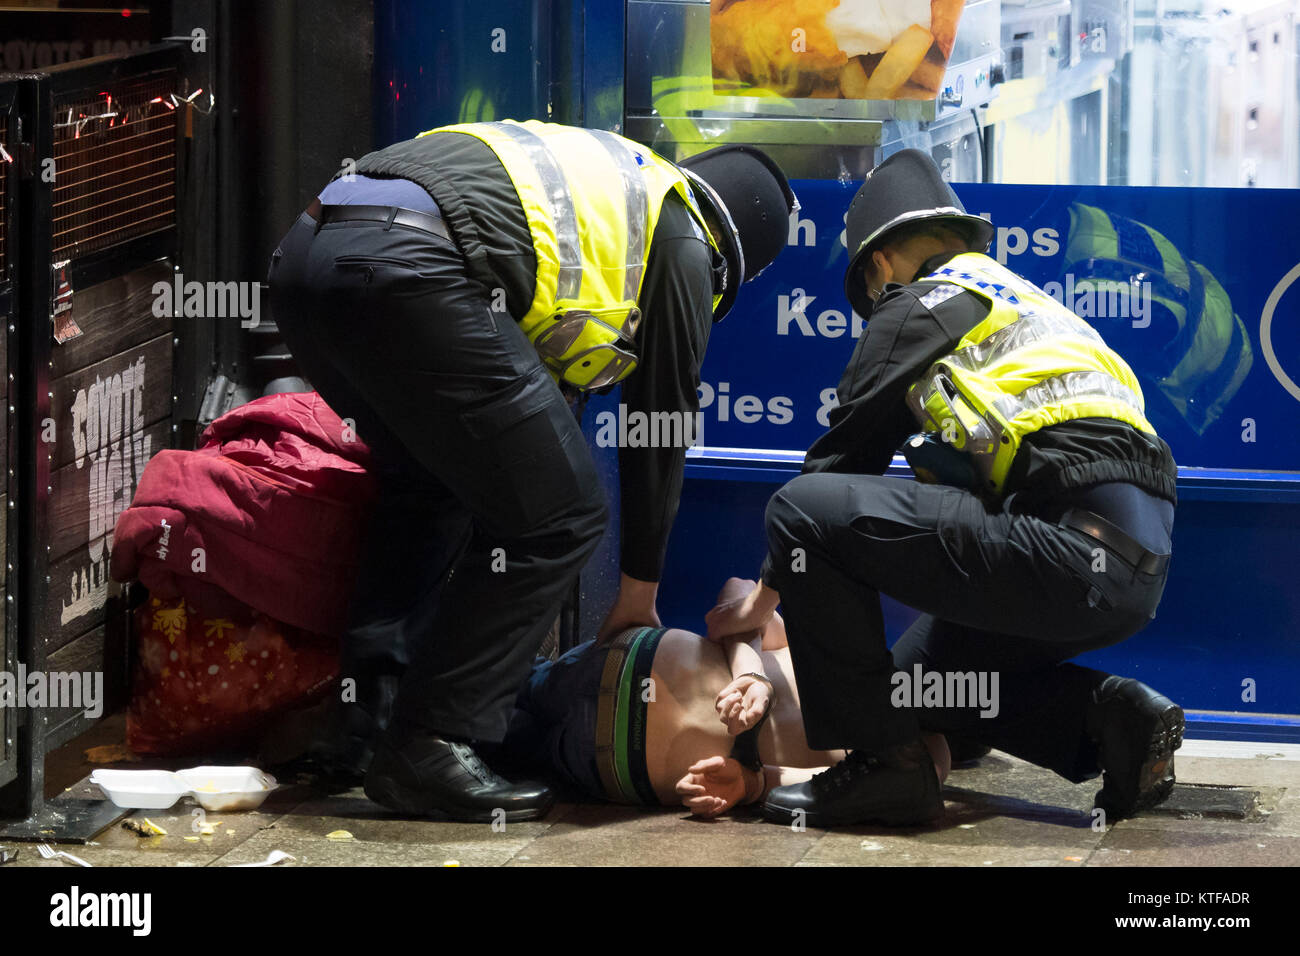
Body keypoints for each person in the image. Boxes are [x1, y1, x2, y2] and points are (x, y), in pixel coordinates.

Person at [267, 120, 795, 822]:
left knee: (427, 488)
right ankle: (431, 740)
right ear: (731, 262)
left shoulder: (614, 181)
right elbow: (658, 422)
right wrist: (638, 593)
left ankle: (364, 728)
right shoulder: (682, 236)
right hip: (410, 270)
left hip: (305, 262)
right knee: (564, 517)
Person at [705, 149, 1184, 828]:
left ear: (878, 265)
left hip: (1067, 547)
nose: (876, 310)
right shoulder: (1025, 307)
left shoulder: (919, 302)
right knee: (909, 686)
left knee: (799, 512)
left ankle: (884, 770)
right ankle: (1110, 720)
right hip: (1131, 571)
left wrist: (761, 602)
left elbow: (836, 471)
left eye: (870, 297)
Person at [499, 577, 951, 816]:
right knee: (474, 688)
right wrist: (753, 674)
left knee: (483, 740)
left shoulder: (913, 762)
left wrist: (751, 782)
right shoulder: (855, 652)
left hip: (617, 760)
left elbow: (823, 785)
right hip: (616, 667)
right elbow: (735, 600)